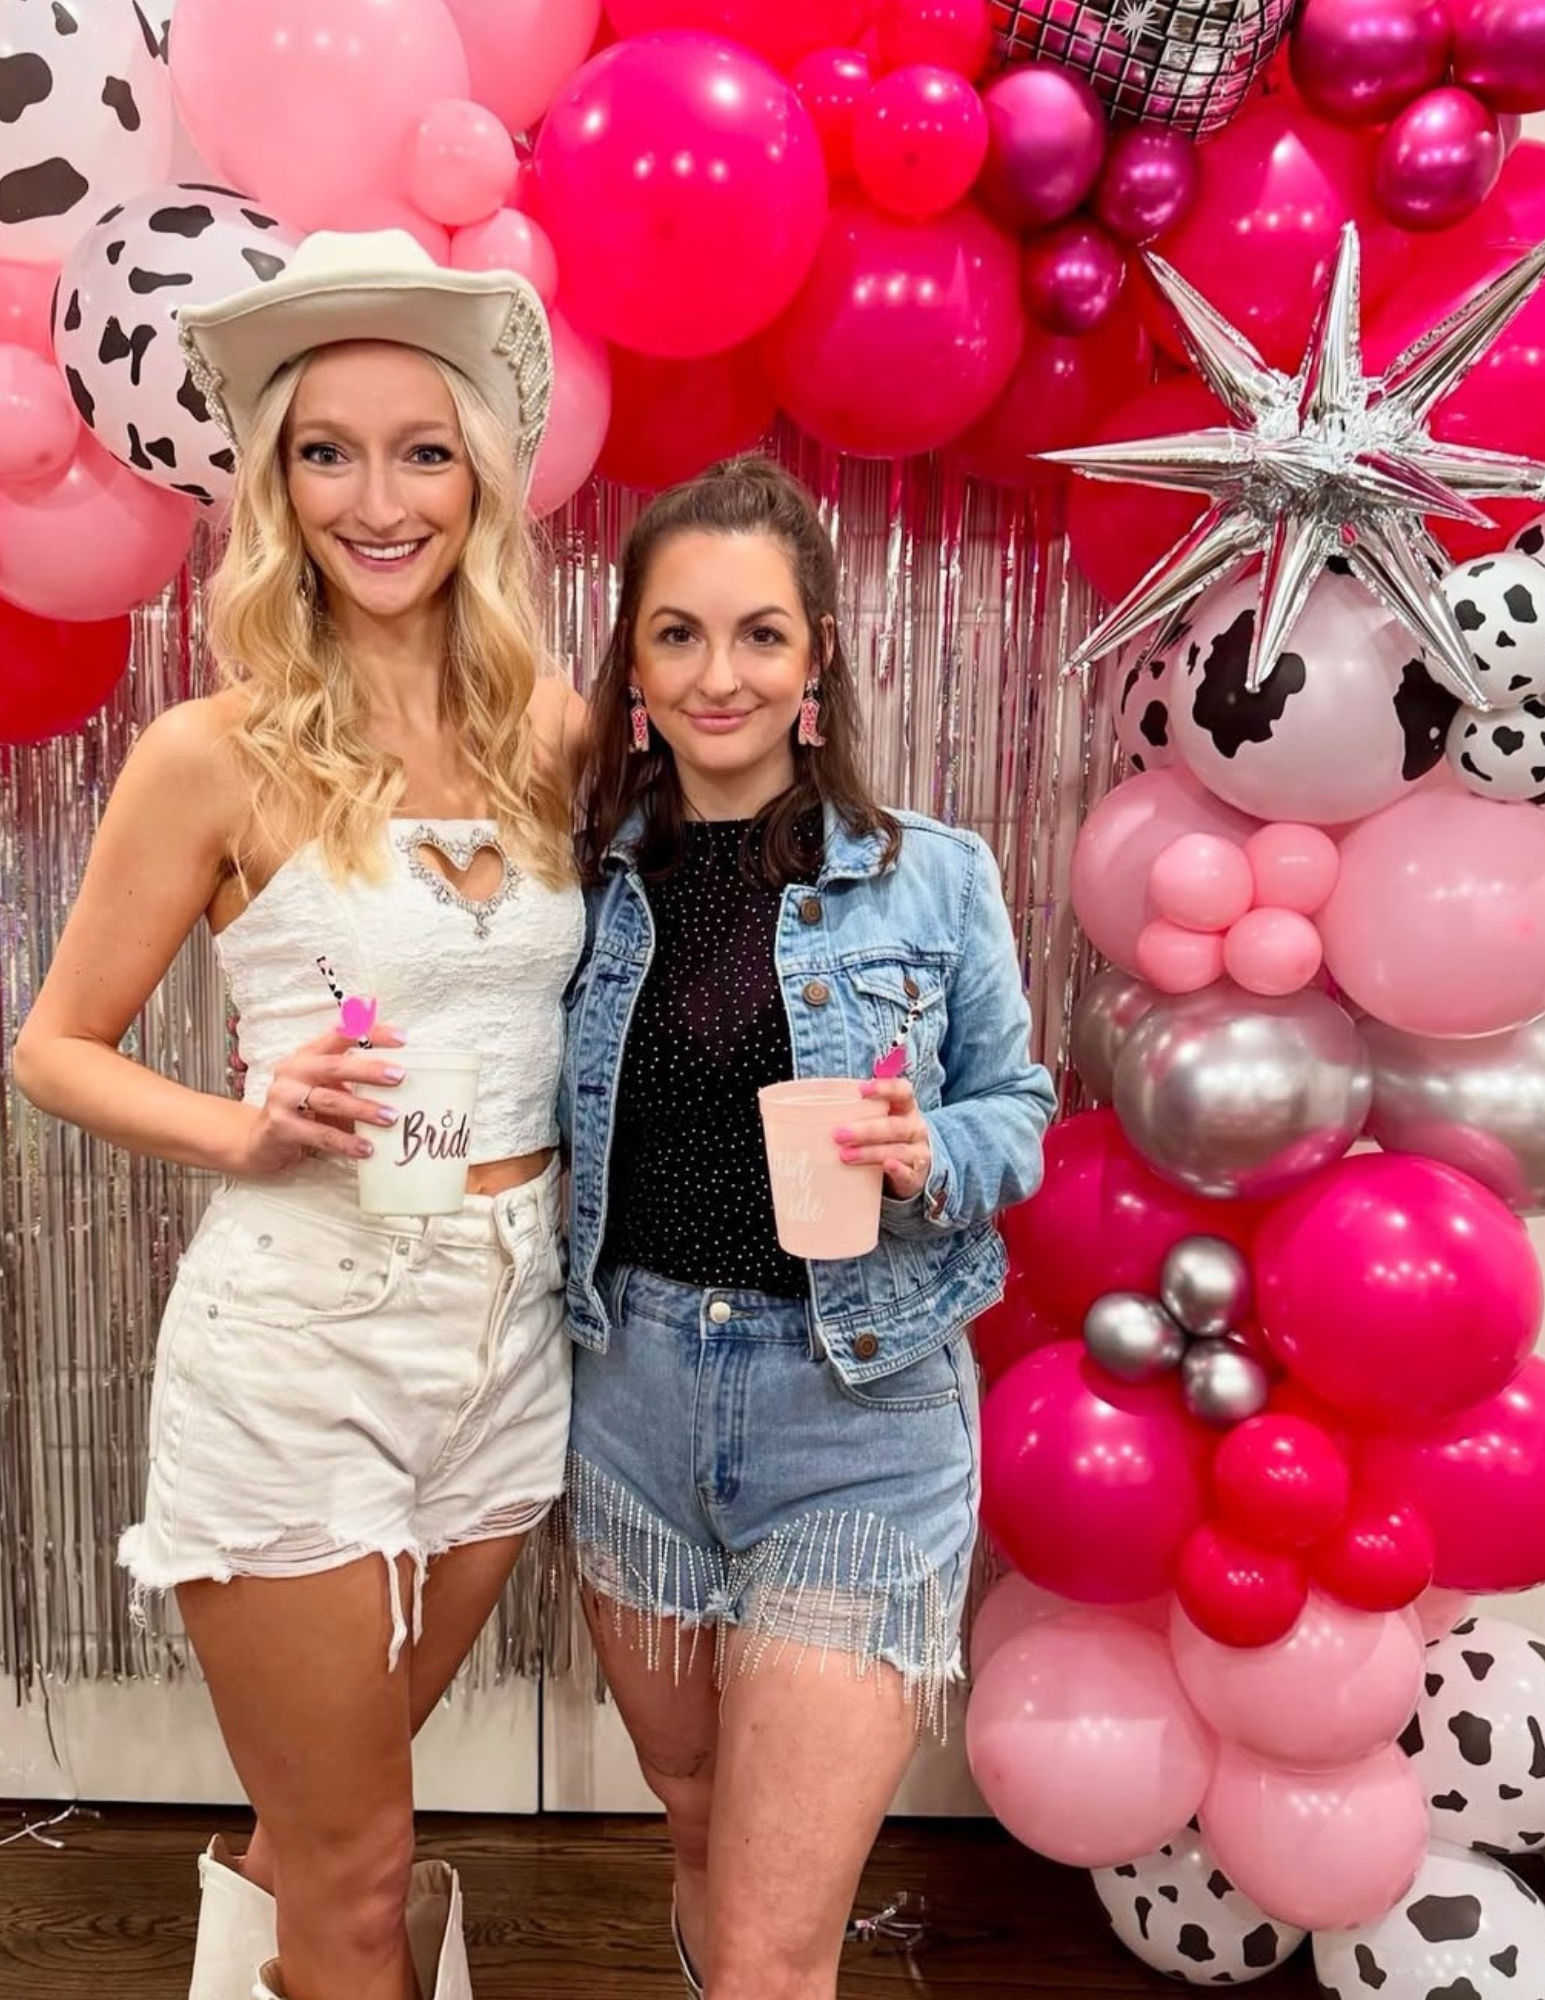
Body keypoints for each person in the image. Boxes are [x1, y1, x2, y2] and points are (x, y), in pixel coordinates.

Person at [13, 229, 585, 2000]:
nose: (377, 501)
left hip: (513, 1341)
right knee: (359, 1871)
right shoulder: (215, 752)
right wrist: (241, 1129)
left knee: (326, 1817)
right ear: (276, 485)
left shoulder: (556, 733)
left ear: (479, 479)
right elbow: (54, 1048)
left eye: (422, 452)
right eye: (327, 454)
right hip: (300, 1345)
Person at [561, 455, 1056, 2000]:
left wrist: (930, 1153)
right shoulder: (577, 882)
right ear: (632, 665)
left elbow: (1019, 1108)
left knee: (777, 1950)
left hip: (858, 1412)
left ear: (817, 656)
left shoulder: (932, 878)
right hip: (629, 1404)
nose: (720, 676)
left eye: (759, 634)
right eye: (679, 634)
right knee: (697, 1818)